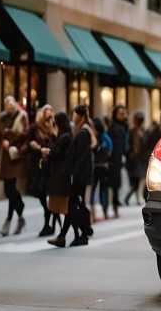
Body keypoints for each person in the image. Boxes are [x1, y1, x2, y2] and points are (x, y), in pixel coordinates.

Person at [49, 105, 95, 247]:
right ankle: (71, 235)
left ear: (80, 116)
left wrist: (74, 176)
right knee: (74, 206)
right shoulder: (82, 131)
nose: (73, 117)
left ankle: (82, 233)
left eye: (74, 115)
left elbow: (81, 158)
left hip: (79, 176)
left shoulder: (82, 133)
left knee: (73, 206)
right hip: (80, 175)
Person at [0, 96, 29, 236]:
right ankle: (20, 210)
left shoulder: (22, 117)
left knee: (10, 188)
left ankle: (9, 220)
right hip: (6, 157)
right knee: (8, 190)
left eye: (11, 108)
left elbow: (26, 136)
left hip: (16, 155)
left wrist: (12, 144)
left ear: (15, 107)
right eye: (6, 108)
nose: (9, 111)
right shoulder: (2, 118)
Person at [25, 104, 58, 237]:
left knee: (46, 192)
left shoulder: (54, 127)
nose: (49, 115)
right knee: (38, 191)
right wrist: (39, 149)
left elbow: (57, 141)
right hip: (37, 163)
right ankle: (48, 216)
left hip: (49, 164)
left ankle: (48, 223)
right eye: (47, 112)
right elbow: (29, 141)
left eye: (51, 112)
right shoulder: (35, 126)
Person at [44, 112, 74, 242]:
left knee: (67, 207)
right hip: (62, 175)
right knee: (67, 207)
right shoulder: (66, 135)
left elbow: (55, 153)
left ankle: (64, 235)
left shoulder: (65, 137)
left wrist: (48, 151)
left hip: (61, 175)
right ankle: (63, 234)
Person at [107, 105, 128, 218]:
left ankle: (115, 204)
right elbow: (117, 145)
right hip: (115, 159)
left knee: (116, 183)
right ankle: (114, 204)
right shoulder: (115, 127)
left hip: (118, 158)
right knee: (114, 183)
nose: (122, 115)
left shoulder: (121, 126)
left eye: (123, 113)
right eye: (120, 113)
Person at [90, 117, 112, 222]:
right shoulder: (93, 137)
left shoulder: (105, 138)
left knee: (103, 190)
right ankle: (92, 214)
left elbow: (109, 151)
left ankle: (105, 212)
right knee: (92, 191)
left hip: (103, 167)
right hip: (94, 168)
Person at [126, 112, 146, 206]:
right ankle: (134, 198)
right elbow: (131, 144)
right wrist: (132, 154)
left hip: (140, 158)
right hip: (135, 159)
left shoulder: (142, 130)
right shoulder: (132, 130)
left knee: (140, 180)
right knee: (137, 180)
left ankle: (136, 198)